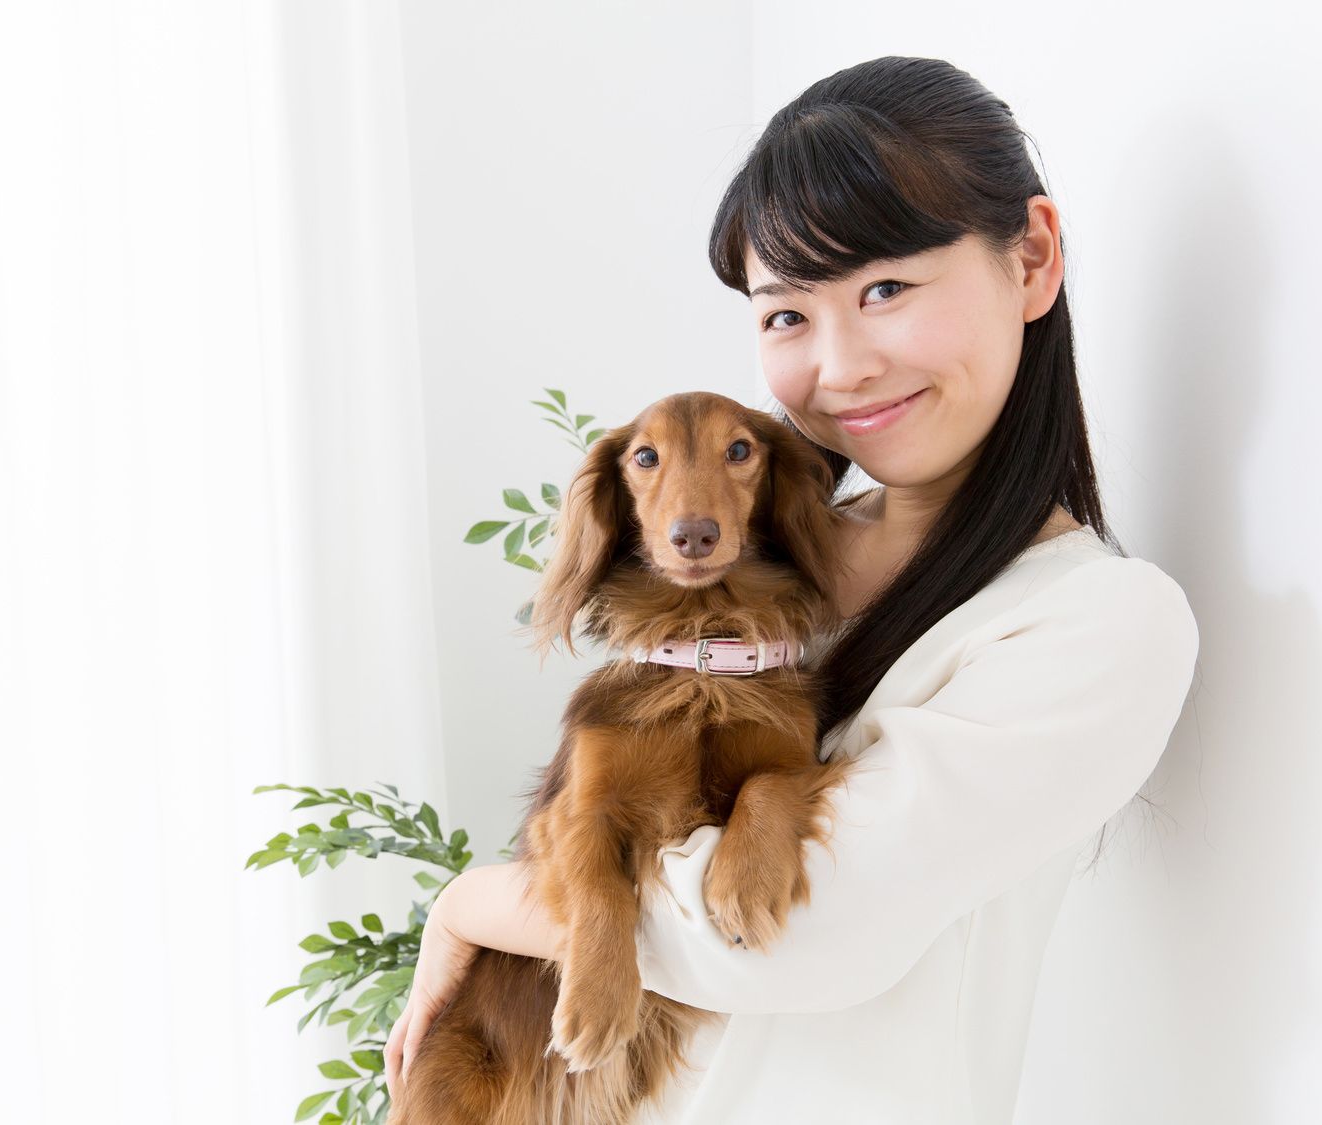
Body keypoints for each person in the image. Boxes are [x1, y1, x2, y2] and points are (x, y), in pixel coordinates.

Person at [384, 55, 1200, 1124]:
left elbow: (789, 942)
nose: (841, 364)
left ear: (1031, 258)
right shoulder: (732, 587)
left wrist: (469, 903)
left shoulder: (1095, 625)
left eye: (885, 290)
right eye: (785, 316)